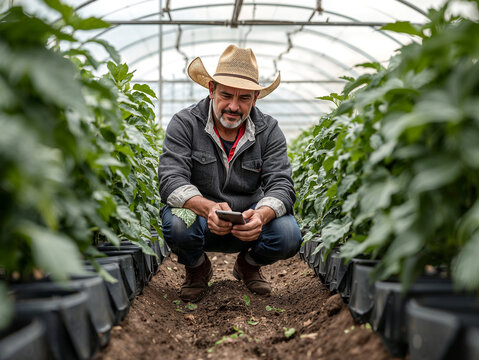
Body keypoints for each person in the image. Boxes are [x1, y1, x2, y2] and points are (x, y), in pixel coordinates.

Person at [158, 44, 302, 303]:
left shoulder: (268, 130)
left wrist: (260, 215)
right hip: (201, 220)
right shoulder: (185, 123)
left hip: (249, 225)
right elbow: (171, 180)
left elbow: (282, 185)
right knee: (178, 224)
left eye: (244, 98)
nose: (233, 106)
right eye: (226, 95)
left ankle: (248, 265)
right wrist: (208, 208)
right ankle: (197, 268)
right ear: (211, 90)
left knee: (288, 234)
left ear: (255, 99)